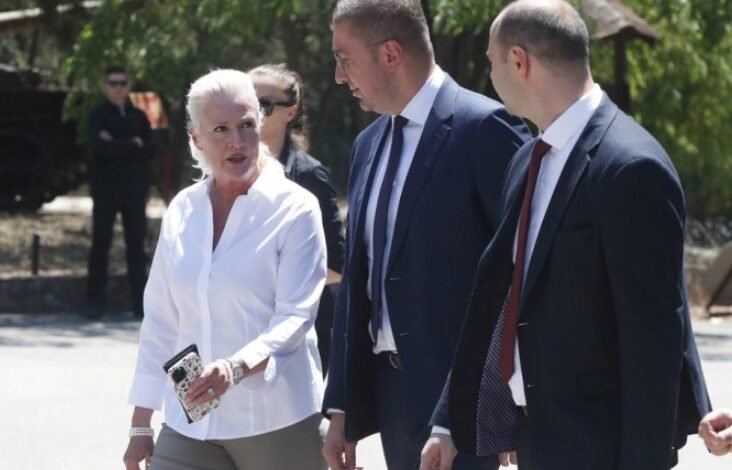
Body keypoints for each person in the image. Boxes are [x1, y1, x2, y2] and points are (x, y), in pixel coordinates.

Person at [422, 1, 711, 469]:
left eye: (491, 62)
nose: (489, 76)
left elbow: (654, 342)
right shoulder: (527, 160)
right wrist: (449, 423)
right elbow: (502, 298)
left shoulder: (631, 168)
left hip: (600, 449)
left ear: (519, 61)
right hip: (536, 439)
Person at [321, 1, 530, 469]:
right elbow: (357, 281)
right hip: (393, 398)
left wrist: (504, 404)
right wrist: (341, 410)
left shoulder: (487, 128)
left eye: (344, 59)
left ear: (390, 54)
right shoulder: (367, 144)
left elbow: (520, 274)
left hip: (467, 404)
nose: (337, 75)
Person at [122, 69, 327, 470]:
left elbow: (295, 317)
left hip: (277, 421)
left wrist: (235, 368)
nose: (237, 141)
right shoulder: (182, 209)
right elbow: (161, 321)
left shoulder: (296, 208)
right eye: (220, 129)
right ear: (196, 137)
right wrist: (141, 423)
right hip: (190, 423)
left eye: (247, 125)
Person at [249, 63, 346, 375]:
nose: (250, 110)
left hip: (297, 337)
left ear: (290, 112)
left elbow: (337, 266)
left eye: (263, 104)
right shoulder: (221, 173)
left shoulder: (308, 175)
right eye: (244, 98)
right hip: (238, 326)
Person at [85, 65, 155, 320]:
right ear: (105, 86)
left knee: (136, 246)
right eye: (113, 83)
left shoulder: (140, 116)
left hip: (134, 191)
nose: (117, 88)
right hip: (105, 190)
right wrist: (131, 143)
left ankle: (140, 303)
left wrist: (115, 143)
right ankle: (94, 303)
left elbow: (149, 150)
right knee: (100, 245)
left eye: (122, 83)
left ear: (129, 86)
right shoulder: (97, 116)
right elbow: (98, 147)